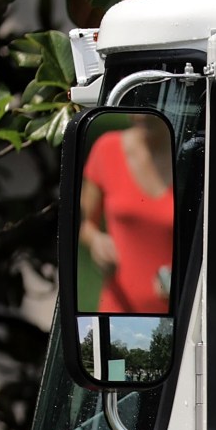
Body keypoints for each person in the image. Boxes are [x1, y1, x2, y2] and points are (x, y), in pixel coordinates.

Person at [79, 114, 174, 313]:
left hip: (183, 320)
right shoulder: (107, 148)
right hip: (118, 317)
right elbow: (83, 223)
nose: (140, 115)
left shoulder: (192, 156)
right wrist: (96, 241)